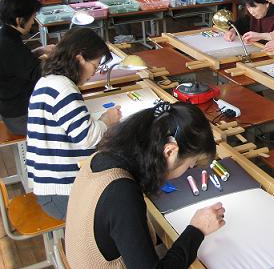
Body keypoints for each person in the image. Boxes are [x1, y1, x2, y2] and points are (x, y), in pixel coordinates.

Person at [65, 101, 225, 268]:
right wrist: (197, 230)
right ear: (169, 151)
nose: (188, 171)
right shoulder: (122, 193)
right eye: (190, 165)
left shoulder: (102, 157)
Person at [26, 28, 122, 220]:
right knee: (122, 205)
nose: (94, 74)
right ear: (79, 59)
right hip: (62, 192)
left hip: (51, 186)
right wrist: (107, 120)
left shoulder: (49, 81)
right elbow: (88, 138)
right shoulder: (63, 88)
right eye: (94, 66)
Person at [0, 0, 54, 135]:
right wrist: (63, 56)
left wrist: (40, 51)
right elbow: (39, 74)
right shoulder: (9, 44)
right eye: (32, 17)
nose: (33, 22)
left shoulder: (6, 35)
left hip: (14, 110)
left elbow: (15, 64)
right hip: (21, 117)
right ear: (19, 20)